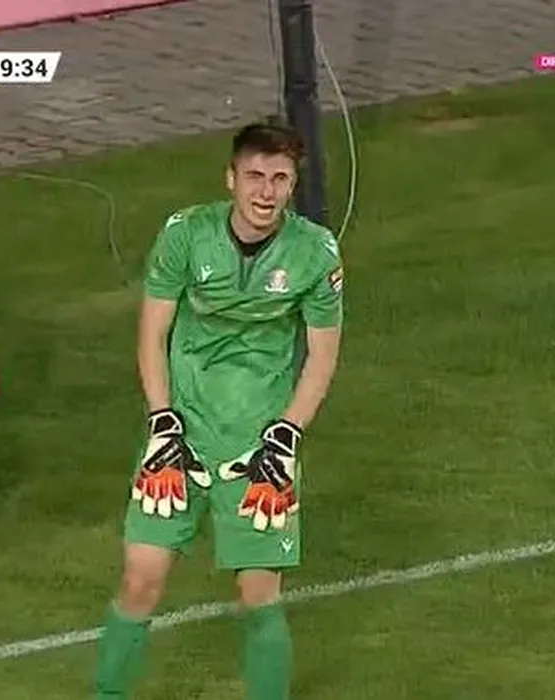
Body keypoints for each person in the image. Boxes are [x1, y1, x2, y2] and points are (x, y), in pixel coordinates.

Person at [92, 121, 344, 698]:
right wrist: (162, 421)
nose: (266, 191)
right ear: (230, 178)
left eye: (280, 179)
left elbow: (323, 356)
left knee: (259, 596)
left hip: (260, 446)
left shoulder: (315, 252)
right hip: (179, 438)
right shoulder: (185, 235)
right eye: (254, 176)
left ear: (293, 185)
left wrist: (286, 435)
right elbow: (152, 334)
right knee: (140, 581)